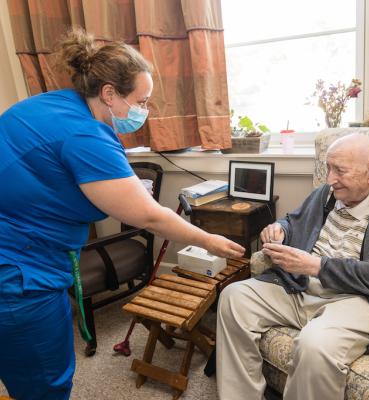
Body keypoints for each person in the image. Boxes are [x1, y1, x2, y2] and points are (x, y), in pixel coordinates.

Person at [0, 28, 245, 400]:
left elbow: (50, 175)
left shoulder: (48, 104)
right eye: (141, 101)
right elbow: (149, 217)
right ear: (109, 93)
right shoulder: (84, 135)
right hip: (19, 271)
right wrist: (209, 239)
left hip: (16, 243)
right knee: (44, 381)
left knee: (14, 362)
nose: (144, 111)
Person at [217, 134, 369, 400]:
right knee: (234, 298)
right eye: (328, 168)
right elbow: (294, 220)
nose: (329, 179)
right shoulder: (327, 193)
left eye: (340, 170)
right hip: (301, 287)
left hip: (359, 300)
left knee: (315, 345)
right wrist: (279, 229)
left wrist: (316, 266)